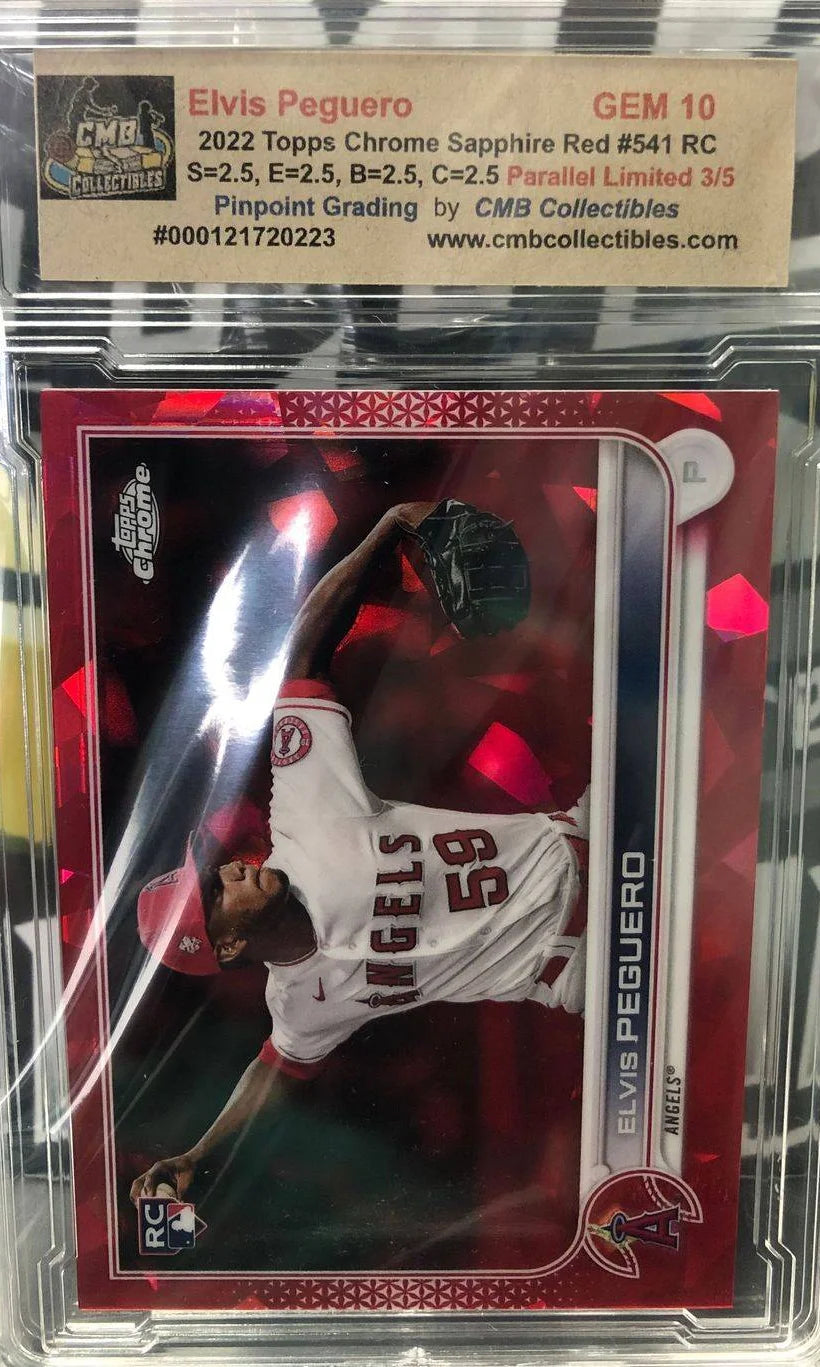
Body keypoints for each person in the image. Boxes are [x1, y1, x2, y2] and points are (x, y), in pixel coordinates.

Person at [130, 501, 588, 1207]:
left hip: (586, 840)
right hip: (576, 967)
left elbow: (302, 657)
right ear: (228, 946)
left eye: (212, 870)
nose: (228, 870)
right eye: (214, 893)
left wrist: (387, 529)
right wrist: (197, 1154)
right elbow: (275, 1070)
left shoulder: (304, 814)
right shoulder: (300, 1003)